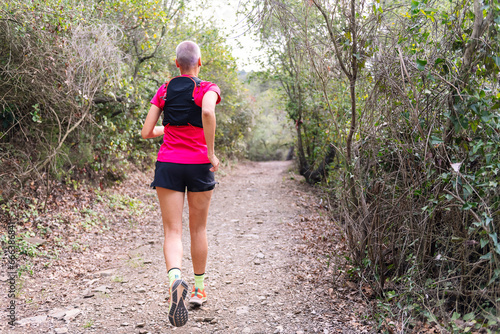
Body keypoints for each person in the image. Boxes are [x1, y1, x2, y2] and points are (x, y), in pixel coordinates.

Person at [141, 40, 221, 327]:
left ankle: (175, 279)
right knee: (197, 228)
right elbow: (208, 113)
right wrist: (210, 152)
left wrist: (171, 128)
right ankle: (198, 289)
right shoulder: (206, 88)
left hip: (169, 164)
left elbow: (147, 131)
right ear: (200, 62)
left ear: (177, 64)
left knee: (171, 231)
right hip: (199, 165)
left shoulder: (164, 90)